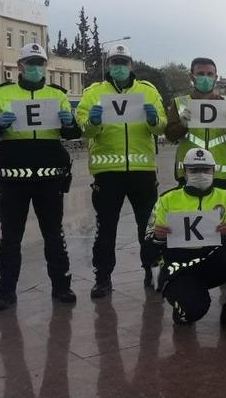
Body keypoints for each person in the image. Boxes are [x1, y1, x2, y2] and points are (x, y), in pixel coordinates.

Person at [0, 43, 81, 312]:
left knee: (54, 236)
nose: (36, 68)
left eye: (40, 63)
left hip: (50, 179)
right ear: (19, 66)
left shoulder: (57, 95)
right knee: (10, 238)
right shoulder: (1, 94)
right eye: (31, 63)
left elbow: (72, 132)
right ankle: (6, 291)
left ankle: (61, 285)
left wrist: (69, 123)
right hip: (12, 180)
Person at [75, 43, 167, 297]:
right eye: (114, 62)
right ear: (108, 65)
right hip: (107, 173)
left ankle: (152, 269)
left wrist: (153, 120)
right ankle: (102, 278)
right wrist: (92, 122)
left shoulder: (148, 91)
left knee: (147, 227)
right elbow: (83, 130)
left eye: (123, 62)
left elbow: (161, 127)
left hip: (142, 170)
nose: (119, 67)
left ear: (131, 65)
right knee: (105, 229)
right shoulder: (93, 93)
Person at [145, 148, 226, 329]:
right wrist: (158, 236)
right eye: (194, 170)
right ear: (185, 172)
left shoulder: (225, 197)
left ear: (214, 171)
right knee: (193, 310)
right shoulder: (167, 199)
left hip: (211, 261)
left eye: (205, 170)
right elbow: (149, 241)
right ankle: (182, 301)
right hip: (179, 267)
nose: (200, 174)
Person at [163, 57, 226, 191]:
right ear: (192, 77)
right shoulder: (180, 103)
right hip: (189, 173)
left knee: (222, 212)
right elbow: (170, 136)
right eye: (200, 74)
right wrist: (182, 125)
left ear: (216, 77)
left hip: (220, 176)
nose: (205, 78)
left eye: (210, 74)